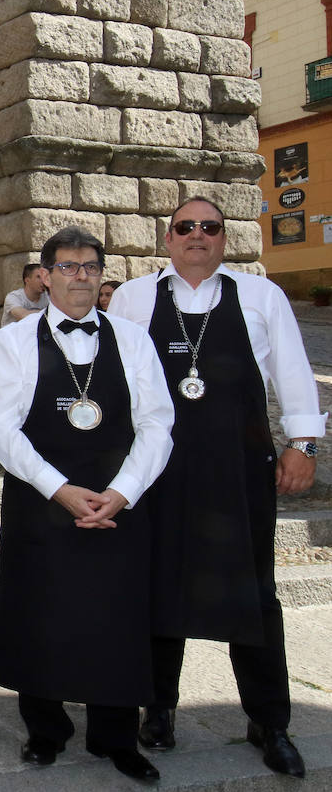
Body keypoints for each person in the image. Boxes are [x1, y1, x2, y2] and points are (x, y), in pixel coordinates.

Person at [109, 197, 324, 778]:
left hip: (239, 467)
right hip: (158, 469)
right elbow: (116, 380)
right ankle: (158, 709)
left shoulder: (261, 296)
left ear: (225, 239)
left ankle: (269, 720)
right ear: (168, 237)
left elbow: (294, 373)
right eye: (186, 227)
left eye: (210, 227)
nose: (197, 235)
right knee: (156, 585)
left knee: (253, 592)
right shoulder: (133, 298)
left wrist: (303, 445)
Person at [0, 226, 173, 783]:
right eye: (68, 266)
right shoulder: (13, 342)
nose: (80, 276)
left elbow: (158, 422)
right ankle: (45, 731)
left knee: (117, 621)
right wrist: (60, 490)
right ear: (45, 275)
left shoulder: (133, 340)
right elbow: (1, 428)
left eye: (90, 266)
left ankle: (116, 738)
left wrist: (123, 492)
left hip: (118, 504)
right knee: (40, 616)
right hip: (43, 503)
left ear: (102, 274)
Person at [0, 262, 49, 326]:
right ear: (27, 280)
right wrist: (48, 313)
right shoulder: (14, 297)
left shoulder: (48, 297)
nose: (43, 280)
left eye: (44, 277)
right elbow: (23, 315)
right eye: (38, 277)